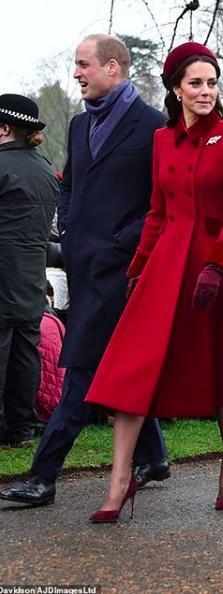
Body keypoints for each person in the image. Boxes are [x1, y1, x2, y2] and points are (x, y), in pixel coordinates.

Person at [84, 41, 223, 522]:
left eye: (211, 82)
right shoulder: (162, 140)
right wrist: (137, 266)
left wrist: (216, 263)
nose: (206, 91)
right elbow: (158, 212)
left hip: (212, 264)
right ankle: (119, 480)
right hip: (164, 265)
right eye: (196, 83)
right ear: (176, 89)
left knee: (221, 363)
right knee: (132, 365)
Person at [0, 34, 169, 508]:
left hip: (123, 271)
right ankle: (153, 456)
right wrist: (71, 227)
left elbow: (164, 200)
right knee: (111, 365)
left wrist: (122, 242)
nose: (76, 73)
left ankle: (43, 474)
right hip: (82, 266)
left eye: (83, 64)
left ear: (112, 68)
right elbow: (70, 181)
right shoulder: (78, 124)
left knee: (83, 371)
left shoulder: (153, 126)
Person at [0, 94, 58, 446]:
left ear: (5, 128)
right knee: (24, 352)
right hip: (32, 275)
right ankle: (20, 429)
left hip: (3, 270)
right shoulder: (45, 169)